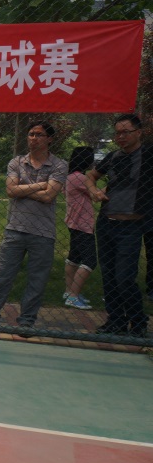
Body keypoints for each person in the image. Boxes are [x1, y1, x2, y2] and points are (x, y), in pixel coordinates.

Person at [0, 121, 66, 332]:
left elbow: (49, 196)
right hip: (15, 228)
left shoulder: (59, 165)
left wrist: (22, 189)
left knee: (37, 280)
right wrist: (41, 185)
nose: (33, 138)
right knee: (2, 276)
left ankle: (27, 320)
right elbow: (10, 191)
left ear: (50, 139)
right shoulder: (16, 162)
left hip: (43, 232)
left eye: (39, 135)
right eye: (31, 134)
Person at [85, 114, 151, 337]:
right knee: (109, 277)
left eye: (126, 132)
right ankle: (116, 321)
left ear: (139, 132)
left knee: (124, 278)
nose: (121, 137)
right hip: (106, 223)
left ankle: (138, 322)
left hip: (131, 226)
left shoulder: (148, 155)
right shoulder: (113, 157)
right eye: (117, 133)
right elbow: (90, 176)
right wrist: (94, 191)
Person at [62, 147, 96, 311]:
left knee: (74, 258)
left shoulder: (69, 177)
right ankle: (73, 297)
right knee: (90, 261)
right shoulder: (80, 178)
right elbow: (97, 195)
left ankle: (69, 292)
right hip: (83, 225)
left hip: (73, 223)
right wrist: (114, 185)